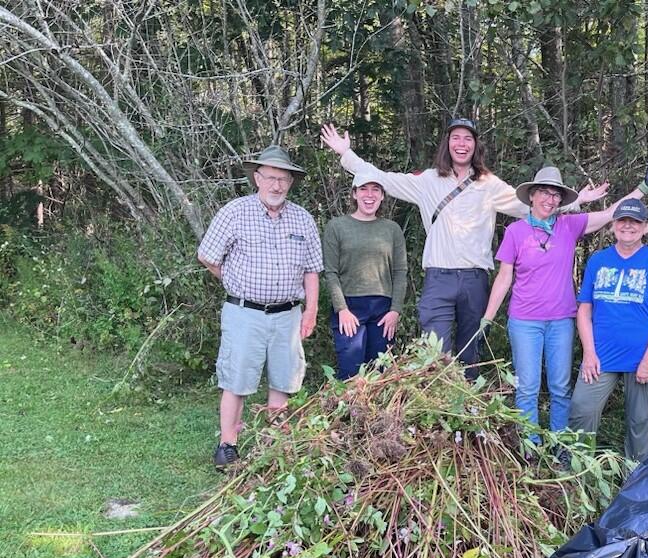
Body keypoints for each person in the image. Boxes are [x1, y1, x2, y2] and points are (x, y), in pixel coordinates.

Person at [320, 119, 606, 379]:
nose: (461, 144)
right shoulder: (427, 181)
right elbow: (383, 178)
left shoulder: (489, 184)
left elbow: (530, 207)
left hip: (474, 279)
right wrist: (346, 154)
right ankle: (438, 420)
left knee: (470, 351)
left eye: (468, 139)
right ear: (447, 144)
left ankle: (466, 420)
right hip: (438, 278)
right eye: (456, 137)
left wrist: (575, 201)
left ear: (475, 146)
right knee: (434, 354)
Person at [482, 161, 648, 435]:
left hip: (561, 320)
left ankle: (561, 447)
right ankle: (530, 447)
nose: (549, 199)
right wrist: (487, 318)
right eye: (544, 193)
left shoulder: (569, 225)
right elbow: (504, 278)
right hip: (524, 321)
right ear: (532, 196)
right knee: (527, 388)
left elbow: (612, 213)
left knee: (561, 388)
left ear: (561, 200)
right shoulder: (515, 232)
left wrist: (644, 187)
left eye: (555, 194)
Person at [197, 145, 323, 469]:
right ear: (257, 178)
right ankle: (228, 446)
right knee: (236, 379)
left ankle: (273, 445)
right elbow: (208, 256)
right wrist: (233, 279)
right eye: (270, 178)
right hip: (244, 313)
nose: (276, 185)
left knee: (283, 380)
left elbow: (312, 270)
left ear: (290, 182)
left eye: (283, 179)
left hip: (288, 314)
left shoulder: (303, 219)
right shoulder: (235, 212)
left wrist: (310, 311)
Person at [567, 199, 648, 462]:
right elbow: (584, 310)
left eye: (635, 221)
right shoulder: (598, 260)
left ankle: (636, 486)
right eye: (622, 220)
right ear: (613, 225)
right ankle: (574, 477)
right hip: (600, 355)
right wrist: (589, 353)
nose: (628, 226)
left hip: (643, 357)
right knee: (581, 408)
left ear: (646, 227)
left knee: (639, 423)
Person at [322, 170, 407, 379]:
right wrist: (341, 309)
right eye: (364, 189)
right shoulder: (337, 227)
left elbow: (400, 271)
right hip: (350, 308)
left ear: (382, 195)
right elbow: (330, 272)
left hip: (383, 310)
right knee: (351, 372)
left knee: (380, 372)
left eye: (375, 190)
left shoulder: (392, 229)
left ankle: (379, 413)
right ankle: (348, 412)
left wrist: (395, 310)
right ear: (354, 194)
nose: (369, 195)